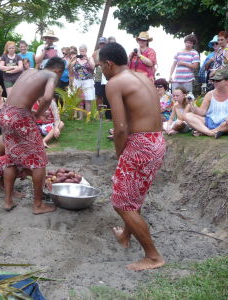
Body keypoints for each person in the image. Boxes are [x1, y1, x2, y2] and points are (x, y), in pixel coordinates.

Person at [99, 42, 166, 271]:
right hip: (157, 140)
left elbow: (119, 128)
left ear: (109, 64)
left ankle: (153, 256)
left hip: (141, 144)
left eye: (100, 65)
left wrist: (120, 154)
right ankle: (125, 235)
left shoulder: (114, 83)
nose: (101, 70)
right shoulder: (142, 77)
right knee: (133, 194)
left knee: (121, 202)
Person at [0, 56, 65, 214]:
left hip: (6, 113)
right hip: (20, 115)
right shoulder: (51, 75)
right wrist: (39, 114)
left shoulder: (28, 71)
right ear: (58, 70)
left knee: (11, 157)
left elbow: (18, 98)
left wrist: (31, 112)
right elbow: (48, 97)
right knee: (39, 160)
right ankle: (38, 205)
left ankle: (8, 201)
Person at [184, 67, 228, 138]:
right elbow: (202, 112)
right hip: (209, 121)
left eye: (218, 80)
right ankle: (210, 132)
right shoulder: (210, 94)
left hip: (225, 124)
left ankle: (206, 132)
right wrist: (192, 105)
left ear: (227, 81)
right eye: (213, 80)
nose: (215, 82)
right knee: (187, 115)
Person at [70, 44, 96, 116]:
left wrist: (87, 59)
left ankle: (88, 115)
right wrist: (73, 59)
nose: (82, 53)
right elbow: (69, 67)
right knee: (78, 98)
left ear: (86, 51)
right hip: (77, 80)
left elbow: (93, 67)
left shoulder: (90, 58)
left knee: (88, 98)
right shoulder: (76, 59)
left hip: (87, 81)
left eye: (83, 51)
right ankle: (79, 115)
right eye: (80, 51)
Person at [92, 37, 107, 111]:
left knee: (107, 94)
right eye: (101, 43)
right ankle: (99, 112)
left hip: (107, 74)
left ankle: (108, 112)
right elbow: (92, 64)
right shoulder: (95, 53)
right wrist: (97, 64)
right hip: (98, 75)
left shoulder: (109, 52)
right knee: (98, 94)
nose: (102, 45)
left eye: (103, 43)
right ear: (99, 44)